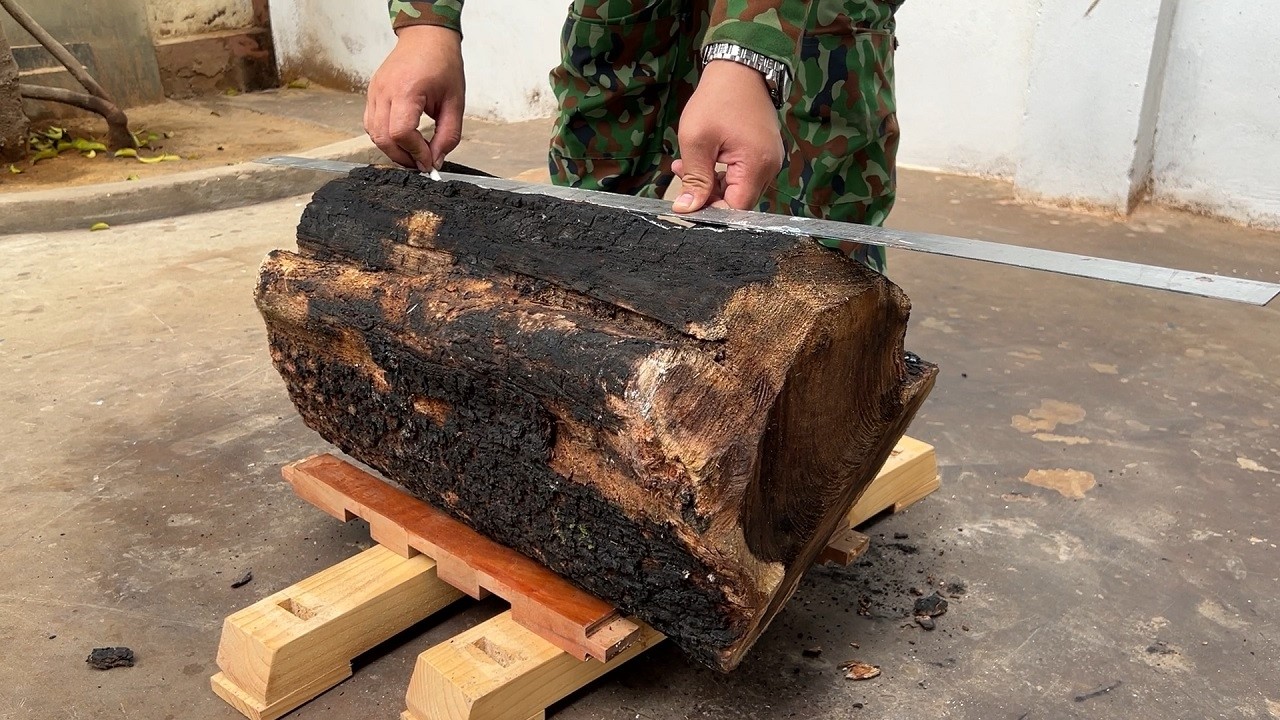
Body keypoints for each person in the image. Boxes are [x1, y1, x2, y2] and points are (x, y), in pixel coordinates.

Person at [365, 0, 902, 272]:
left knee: (813, 256)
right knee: (585, 223)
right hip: (628, 12)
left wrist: (748, 52)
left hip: (807, 14)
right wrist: (424, 23)